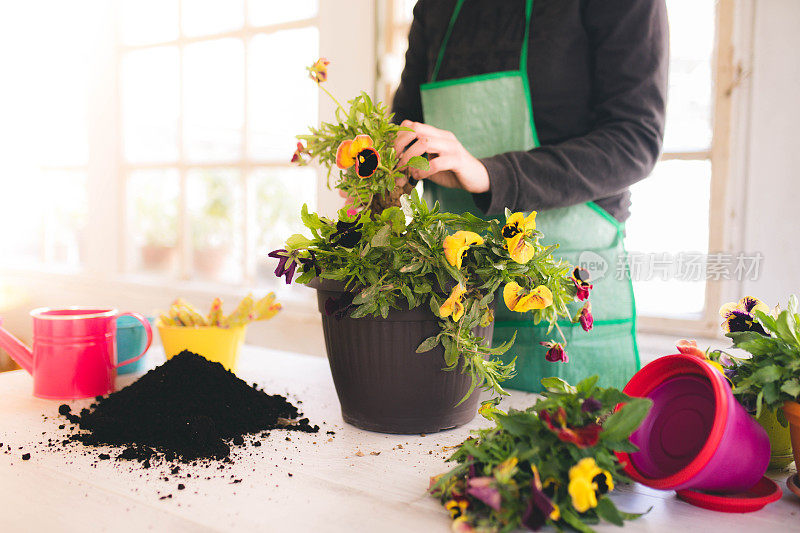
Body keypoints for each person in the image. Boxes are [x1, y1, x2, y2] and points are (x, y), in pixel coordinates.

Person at [391, 0, 668, 391]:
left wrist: (489, 174)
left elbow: (634, 140)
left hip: (563, 284)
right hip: (452, 289)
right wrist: (385, 168)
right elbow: (404, 122)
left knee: (566, 439)